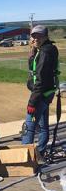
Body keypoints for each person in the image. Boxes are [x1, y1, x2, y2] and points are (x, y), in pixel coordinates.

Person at [21, 25, 59, 156]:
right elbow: (33, 68)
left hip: (40, 94)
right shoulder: (48, 49)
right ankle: (40, 152)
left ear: (46, 37)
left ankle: (25, 157)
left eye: (39, 35)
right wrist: (33, 50)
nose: (35, 38)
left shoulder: (44, 52)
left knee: (29, 127)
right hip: (47, 92)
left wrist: (32, 102)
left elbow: (40, 78)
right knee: (43, 126)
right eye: (33, 35)